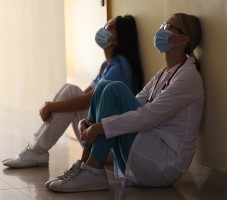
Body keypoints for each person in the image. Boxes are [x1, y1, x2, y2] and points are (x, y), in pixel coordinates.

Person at [47, 12, 205, 192]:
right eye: (162, 26)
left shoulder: (188, 77)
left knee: (115, 89)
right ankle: (85, 166)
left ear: (183, 39)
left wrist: (98, 128)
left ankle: (92, 171)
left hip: (164, 164)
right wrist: (91, 123)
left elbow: (148, 117)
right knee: (103, 87)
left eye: (167, 28)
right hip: (147, 151)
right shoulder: (164, 73)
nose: (160, 30)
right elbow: (135, 102)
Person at [3, 15, 144, 168]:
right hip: (97, 138)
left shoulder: (121, 66)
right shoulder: (106, 65)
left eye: (109, 27)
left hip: (110, 145)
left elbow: (86, 100)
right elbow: (83, 96)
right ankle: (37, 150)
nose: (103, 30)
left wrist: (51, 106)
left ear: (118, 38)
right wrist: (55, 106)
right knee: (70, 90)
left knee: (71, 92)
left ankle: (38, 151)